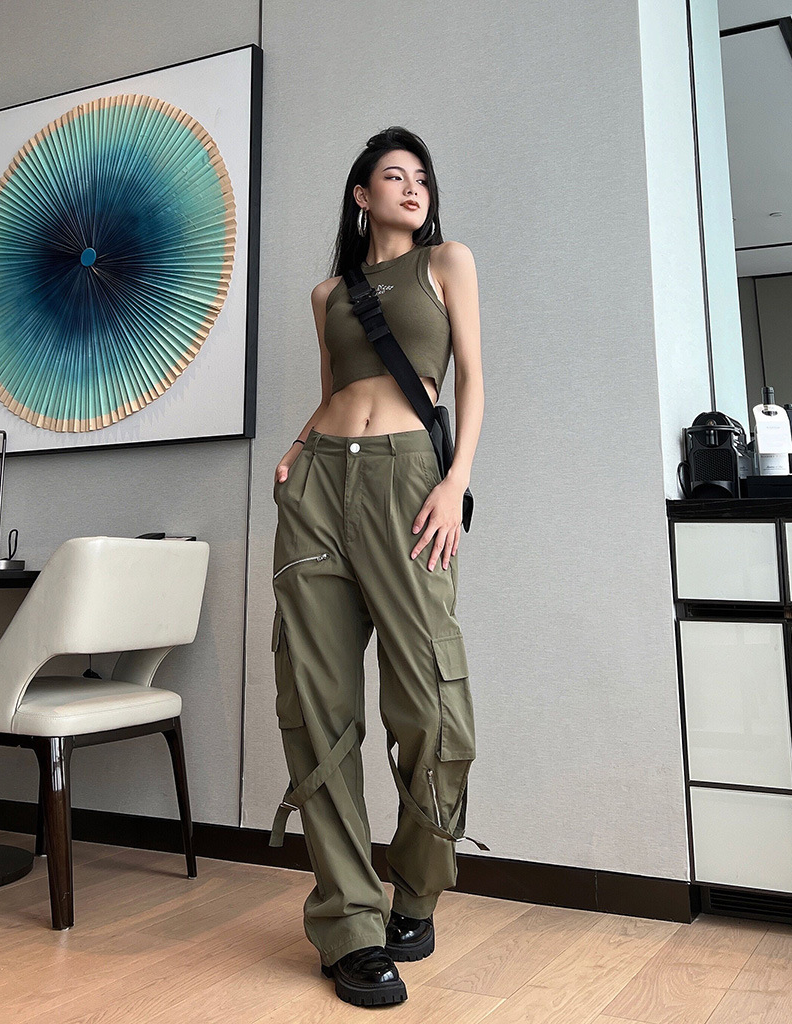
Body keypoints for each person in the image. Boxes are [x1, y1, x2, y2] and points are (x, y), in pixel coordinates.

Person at [268, 126, 485, 1008]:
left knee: (433, 701)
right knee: (315, 705)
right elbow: (332, 392)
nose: (412, 187)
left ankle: (417, 889)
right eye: (393, 176)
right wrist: (295, 450)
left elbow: (471, 380)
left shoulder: (447, 263)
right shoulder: (328, 293)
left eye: (421, 177)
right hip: (319, 484)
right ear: (361, 196)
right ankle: (349, 924)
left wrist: (455, 481)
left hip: (410, 480)